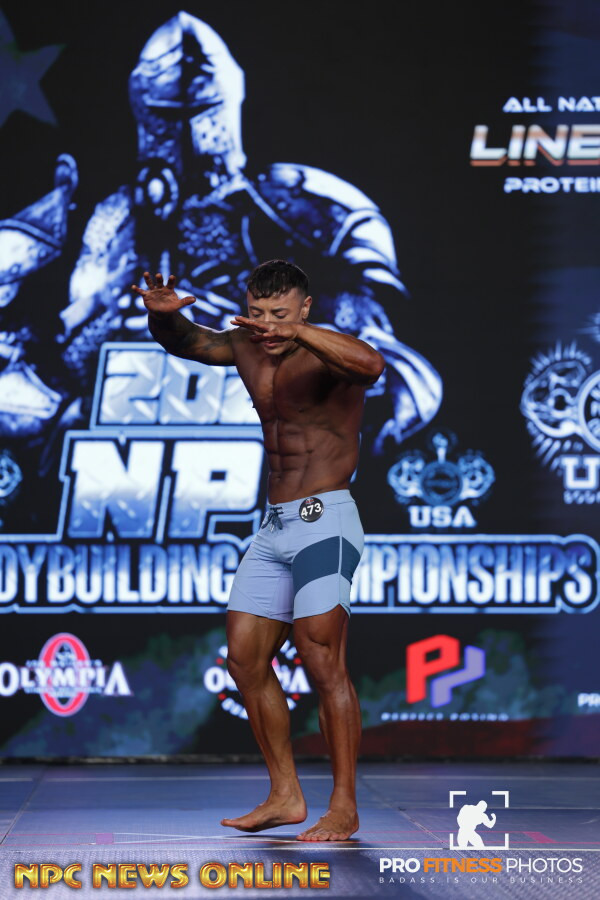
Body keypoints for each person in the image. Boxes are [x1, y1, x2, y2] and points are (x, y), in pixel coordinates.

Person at [133, 259, 385, 842]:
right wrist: (163, 319)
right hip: (273, 526)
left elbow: (371, 365)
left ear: (305, 308)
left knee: (321, 657)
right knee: (244, 659)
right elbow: (192, 343)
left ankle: (344, 806)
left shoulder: (328, 354)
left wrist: (300, 334)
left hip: (326, 519)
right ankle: (285, 795)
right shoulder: (248, 348)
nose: (267, 324)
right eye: (257, 312)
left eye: (279, 314)